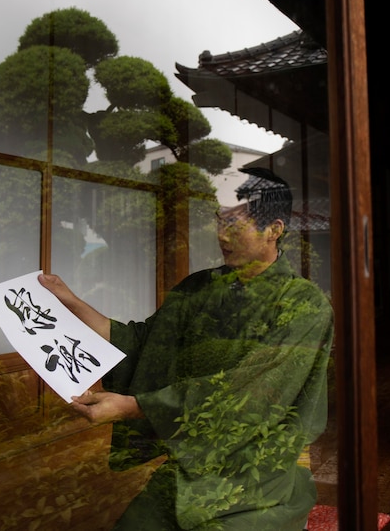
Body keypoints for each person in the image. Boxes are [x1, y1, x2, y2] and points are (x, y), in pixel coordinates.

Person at [38, 167, 334, 531]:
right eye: (219, 219)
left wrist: (133, 406)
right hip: (191, 465)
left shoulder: (303, 305)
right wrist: (71, 303)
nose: (222, 233)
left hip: (259, 475)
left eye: (234, 223)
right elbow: (145, 344)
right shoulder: (199, 288)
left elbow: (250, 395)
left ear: (274, 229)